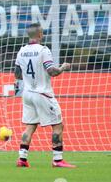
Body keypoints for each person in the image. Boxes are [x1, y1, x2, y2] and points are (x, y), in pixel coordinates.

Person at [14, 23, 75, 168]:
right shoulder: (43, 50)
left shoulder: (21, 51)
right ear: (40, 34)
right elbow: (51, 71)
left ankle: (22, 158)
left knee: (30, 126)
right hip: (42, 93)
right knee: (58, 125)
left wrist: (30, 78)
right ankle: (58, 160)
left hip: (27, 94)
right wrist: (63, 68)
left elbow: (17, 74)